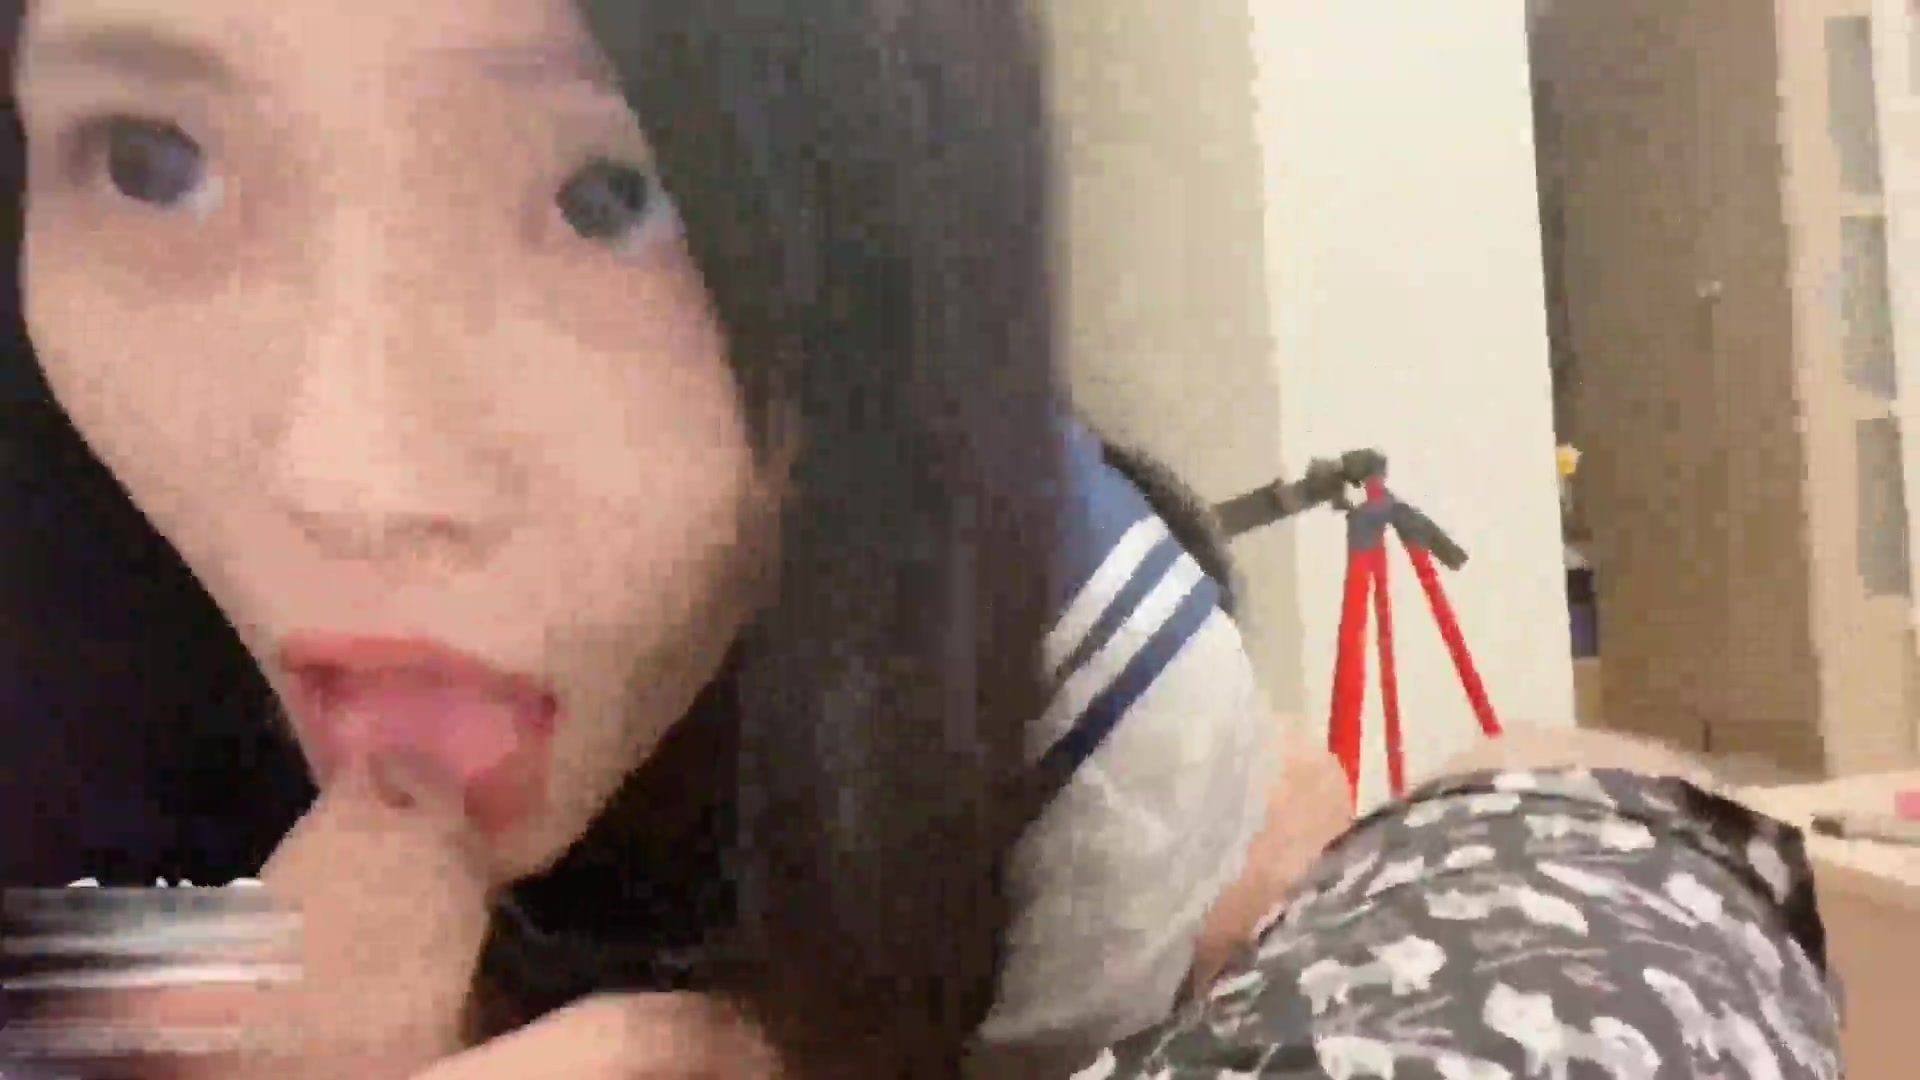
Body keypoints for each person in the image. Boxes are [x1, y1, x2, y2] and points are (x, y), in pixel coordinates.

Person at [2, 0, 1295, 1075]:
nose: (351, 482)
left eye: (613, 195)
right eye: (151, 162)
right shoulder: (66, 543)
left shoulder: (1076, 745)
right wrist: (229, 978)